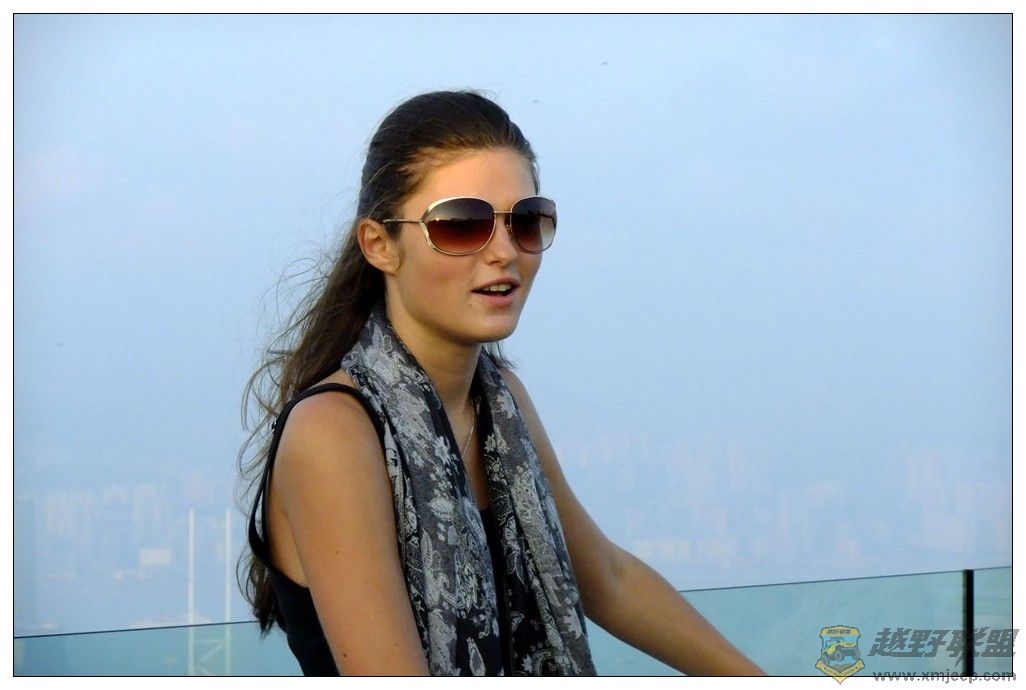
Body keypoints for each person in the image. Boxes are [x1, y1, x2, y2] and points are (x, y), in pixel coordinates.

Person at [239, 90, 765, 676]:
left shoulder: (499, 401)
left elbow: (608, 580)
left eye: (525, 221)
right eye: (462, 225)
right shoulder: (334, 432)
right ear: (380, 245)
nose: (505, 252)